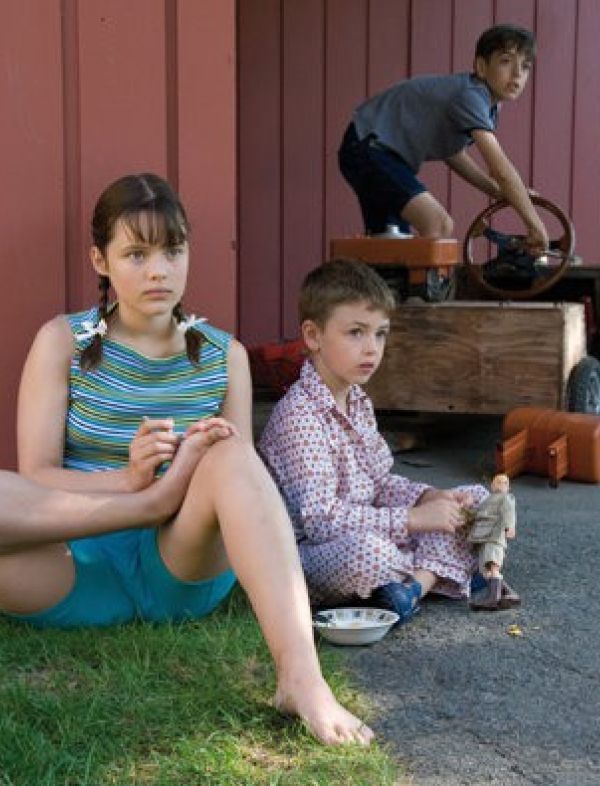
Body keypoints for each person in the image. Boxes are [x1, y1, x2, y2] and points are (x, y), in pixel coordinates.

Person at [4, 173, 373, 747]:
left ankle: (301, 676)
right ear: (99, 260)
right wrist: (135, 486)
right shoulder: (63, 341)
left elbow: (244, 485)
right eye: (136, 253)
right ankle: (152, 499)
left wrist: (183, 484)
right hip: (71, 565)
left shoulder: (224, 355)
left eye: (172, 250)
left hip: (177, 565)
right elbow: (35, 480)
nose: (158, 270)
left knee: (228, 453)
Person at [259, 258, 488, 621]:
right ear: (313, 336)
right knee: (372, 553)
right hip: (315, 553)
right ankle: (434, 572)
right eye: (356, 332)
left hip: (374, 524)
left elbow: (379, 483)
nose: (372, 348)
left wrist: (429, 498)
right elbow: (321, 522)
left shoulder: (357, 400)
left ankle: (412, 585)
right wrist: (413, 520)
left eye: (380, 333)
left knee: (477, 500)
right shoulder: (299, 417)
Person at [338, 24, 548, 254]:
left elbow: (453, 152)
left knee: (389, 245)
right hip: (368, 148)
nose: (518, 74)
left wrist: (497, 192)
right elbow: (502, 170)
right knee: (438, 224)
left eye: (526, 66)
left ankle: (378, 288)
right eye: (506, 62)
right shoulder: (471, 96)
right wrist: (535, 226)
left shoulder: (489, 106)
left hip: (376, 153)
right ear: (481, 66)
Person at [467, 473, 520, 611]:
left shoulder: (506, 498)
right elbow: (478, 514)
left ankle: (493, 599)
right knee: (485, 571)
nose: (501, 485)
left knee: (492, 564)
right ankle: (510, 594)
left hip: (495, 536)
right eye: (498, 482)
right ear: (491, 485)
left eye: (505, 483)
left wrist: (510, 527)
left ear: (508, 487)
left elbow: (509, 513)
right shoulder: (487, 501)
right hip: (483, 536)